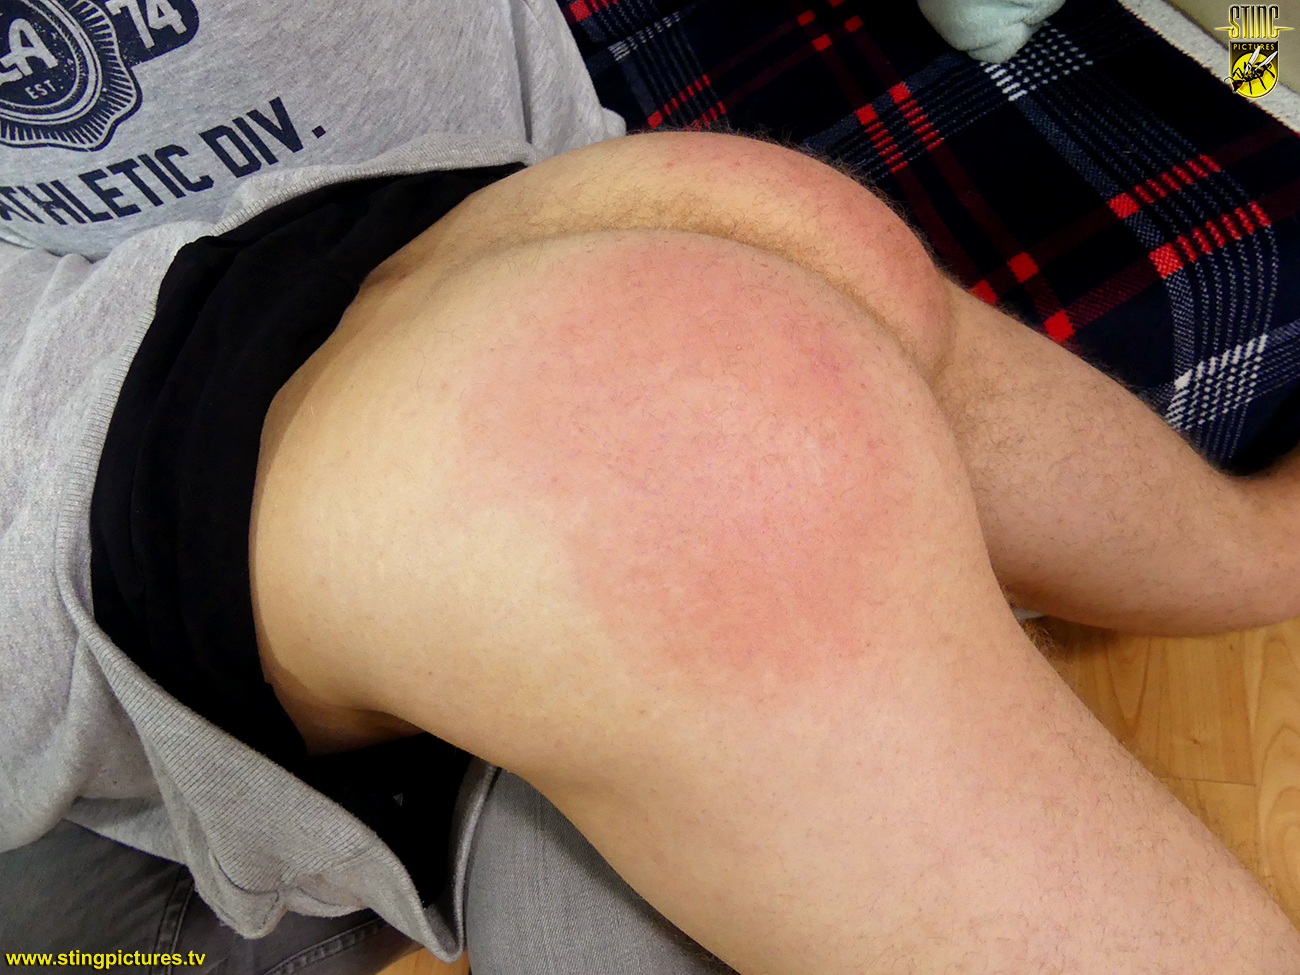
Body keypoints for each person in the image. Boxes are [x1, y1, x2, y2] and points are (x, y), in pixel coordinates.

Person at [4, 4, 1300, 975]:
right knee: (662, 448)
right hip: (66, 455)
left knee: (772, 231)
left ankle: (1253, 552)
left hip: (386, 208)